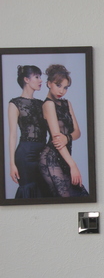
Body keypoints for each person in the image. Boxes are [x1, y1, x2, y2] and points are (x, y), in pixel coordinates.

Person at [39, 64, 89, 197]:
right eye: (58, 85)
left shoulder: (67, 104)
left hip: (65, 156)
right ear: (49, 83)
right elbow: (57, 140)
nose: (62, 91)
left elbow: (78, 132)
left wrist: (67, 138)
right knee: (65, 198)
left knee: (80, 196)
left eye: (65, 87)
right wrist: (73, 165)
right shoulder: (48, 104)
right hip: (51, 158)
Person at [7, 65, 49, 198]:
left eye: (40, 77)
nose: (40, 80)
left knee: (45, 192)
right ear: (26, 79)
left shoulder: (42, 104)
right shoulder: (15, 103)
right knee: (28, 191)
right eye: (37, 77)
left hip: (43, 153)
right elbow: (13, 135)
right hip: (25, 155)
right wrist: (12, 164)